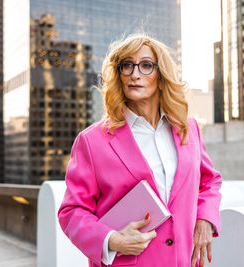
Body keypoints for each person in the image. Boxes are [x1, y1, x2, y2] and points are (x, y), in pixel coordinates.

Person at [58, 33, 222, 267]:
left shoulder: (188, 129)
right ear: (119, 75)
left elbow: (210, 181)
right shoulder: (92, 141)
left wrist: (206, 218)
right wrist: (112, 240)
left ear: (161, 75)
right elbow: (72, 212)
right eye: (127, 65)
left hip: (184, 260)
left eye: (146, 65)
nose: (135, 74)